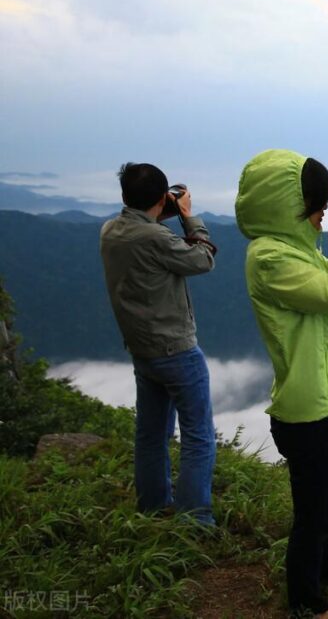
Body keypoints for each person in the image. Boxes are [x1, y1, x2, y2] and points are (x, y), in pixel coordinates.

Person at [235, 149, 328, 618]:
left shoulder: (296, 250)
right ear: (286, 205)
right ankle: (305, 603)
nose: (321, 217)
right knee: (313, 515)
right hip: (306, 409)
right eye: (316, 208)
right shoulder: (269, 258)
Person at [99, 162, 218, 526]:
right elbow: (203, 259)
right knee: (198, 436)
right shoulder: (155, 239)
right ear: (162, 197)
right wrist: (187, 216)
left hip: (142, 350)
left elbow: (149, 239)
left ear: (124, 196)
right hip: (177, 350)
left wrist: (160, 212)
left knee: (150, 434)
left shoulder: (110, 230)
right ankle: (194, 520)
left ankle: (152, 507)